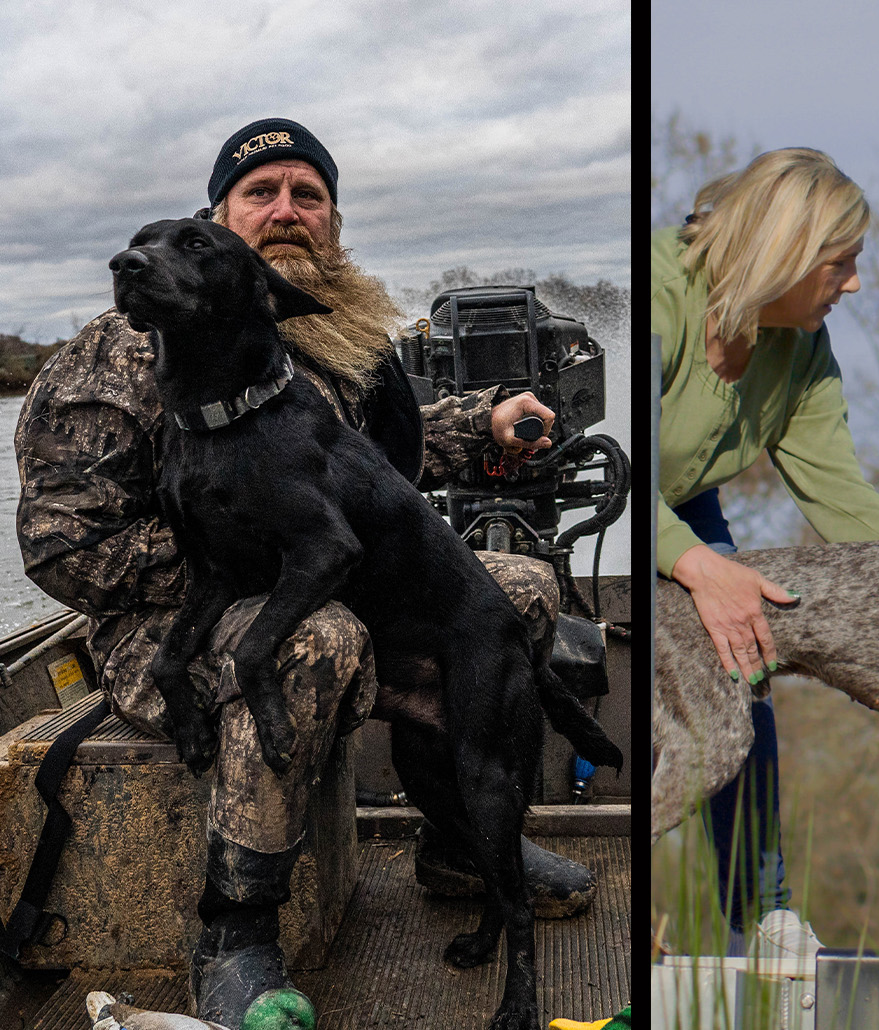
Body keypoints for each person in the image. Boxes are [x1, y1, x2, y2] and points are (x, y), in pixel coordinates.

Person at [14, 117, 589, 1027]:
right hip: (167, 621)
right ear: (218, 216)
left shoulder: (336, 337)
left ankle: (458, 842)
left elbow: (354, 473)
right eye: (260, 193)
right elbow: (61, 545)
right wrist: (248, 555)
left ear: (333, 219)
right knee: (312, 639)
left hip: (315, 573)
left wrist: (479, 424)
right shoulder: (119, 353)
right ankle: (237, 930)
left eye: (308, 195)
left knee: (516, 589)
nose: (287, 211)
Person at [652, 147, 879, 956]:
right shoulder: (658, 297)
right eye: (841, 265)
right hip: (609, 489)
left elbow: (843, 497)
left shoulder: (801, 347)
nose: (855, 285)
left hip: (685, 497)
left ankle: (762, 918)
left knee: (747, 661)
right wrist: (695, 565)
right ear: (787, 255)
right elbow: (603, 464)